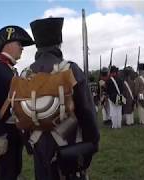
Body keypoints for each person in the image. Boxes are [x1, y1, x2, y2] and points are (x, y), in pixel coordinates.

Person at [24, 17, 99, 180]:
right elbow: (86, 110)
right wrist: (93, 142)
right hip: (69, 144)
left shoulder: (25, 75)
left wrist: (29, 145)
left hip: (38, 146)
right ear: (59, 42)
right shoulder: (70, 69)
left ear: (38, 45)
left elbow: (19, 114)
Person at [0, 25, 34, 180]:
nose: (22, 48)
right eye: (19, 44)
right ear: (8, 44)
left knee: (15, 171)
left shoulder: (10, 70)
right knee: (6, 174)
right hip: (4, 132)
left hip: (15, 131)